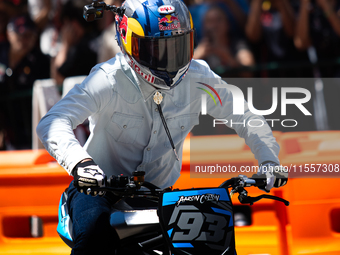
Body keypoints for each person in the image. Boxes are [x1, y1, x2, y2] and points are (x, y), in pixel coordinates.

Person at [36, 0, 288, 254]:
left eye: (177, 46)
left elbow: (244, 115)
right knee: (95, 237)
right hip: (98, 191)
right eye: (157, 49)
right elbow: (52, 122)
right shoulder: (107, 78)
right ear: (129, 41)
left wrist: (269, 160)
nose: (169, 60)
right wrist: (81, 164)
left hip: (160, 196)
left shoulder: (199, 77)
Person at [0, 13, 50, 150]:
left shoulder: (40, 60)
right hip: (6, 126)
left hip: (30, 127)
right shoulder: (1, 53)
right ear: (9, 34)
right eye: (20, 34)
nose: (24, 39)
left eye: (29, 35)